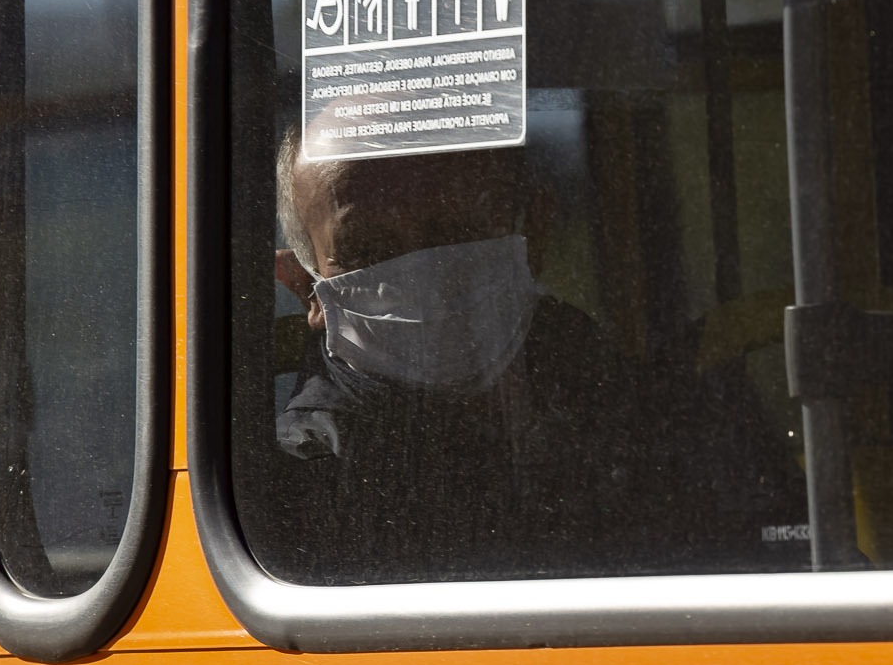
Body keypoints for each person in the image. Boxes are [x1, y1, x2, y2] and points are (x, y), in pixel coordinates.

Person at [270, 128, 795, 580]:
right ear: (305, 287)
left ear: (535, 231)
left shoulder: (649, 407)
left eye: (456, 229)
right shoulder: (296, 489)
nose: (424, 269)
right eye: (368, 248)